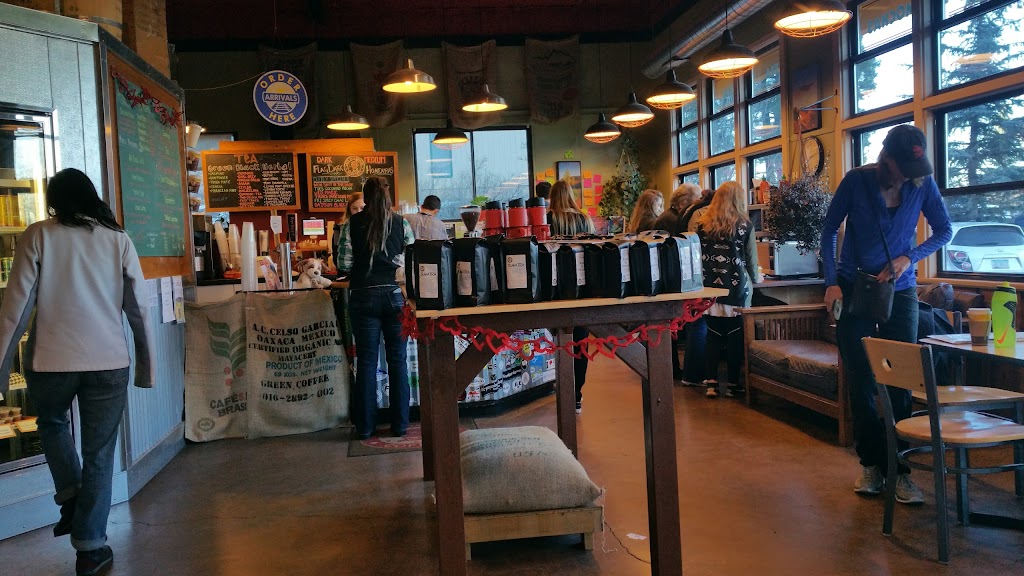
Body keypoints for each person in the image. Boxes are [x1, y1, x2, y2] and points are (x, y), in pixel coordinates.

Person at [0, 168, 153, 576]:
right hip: (108, 361)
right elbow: (138, 308)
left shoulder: (38, 235)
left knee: (51, 423)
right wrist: (147, 366)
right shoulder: (118, 239)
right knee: (100, 453)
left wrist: (0, 368)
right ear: (91, 196)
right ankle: (90, 548)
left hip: (49, 362)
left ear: (54, 201)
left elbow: (15, 308)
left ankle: (70, 494)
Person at [821, 124, 952, 505]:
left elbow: (944, 230)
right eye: (903, 169)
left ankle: (900, 469)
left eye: (915, 169)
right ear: (887, 159)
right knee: (861, 378)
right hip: (854, 286)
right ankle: (871, 464)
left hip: (902, 289)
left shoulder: (922, 183)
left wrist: (909, 257)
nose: (909, 177)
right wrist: (831, 283)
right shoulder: (857, 181)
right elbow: (828, 230)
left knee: (900, 377)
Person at [338, 177, 416, 439]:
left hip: (363, 296)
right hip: (394, 296)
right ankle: (400, 425)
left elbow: (344, 264)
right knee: (398, 360)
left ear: (366, 197)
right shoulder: (401, 223)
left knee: (367, 362)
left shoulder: (351, 224)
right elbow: (411, 257)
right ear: (388, 196)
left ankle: (365, 427)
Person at [695, 181, 758, 398]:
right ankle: (732, 383)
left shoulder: (703, 226)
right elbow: (751, 260)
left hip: (709, 288)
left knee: (712, 336)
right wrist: (756, 279)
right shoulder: (745, 226)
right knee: (734, 337)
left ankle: (711, 383)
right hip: (736, 288)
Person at [547, 180, 595, 414]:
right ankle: (576, 394)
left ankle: (559, 386)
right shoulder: (584, 218)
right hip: (581, 285)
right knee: (580, 341)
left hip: (554, 286)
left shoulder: (548, 218)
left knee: (555, 339)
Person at [332, 192, 364, 272]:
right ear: (349, 210)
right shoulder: (339, 229)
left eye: (362, 208)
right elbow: (336, 256)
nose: (359, 211)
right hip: (347, 273)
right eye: (354, 208)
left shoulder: (374, 228)